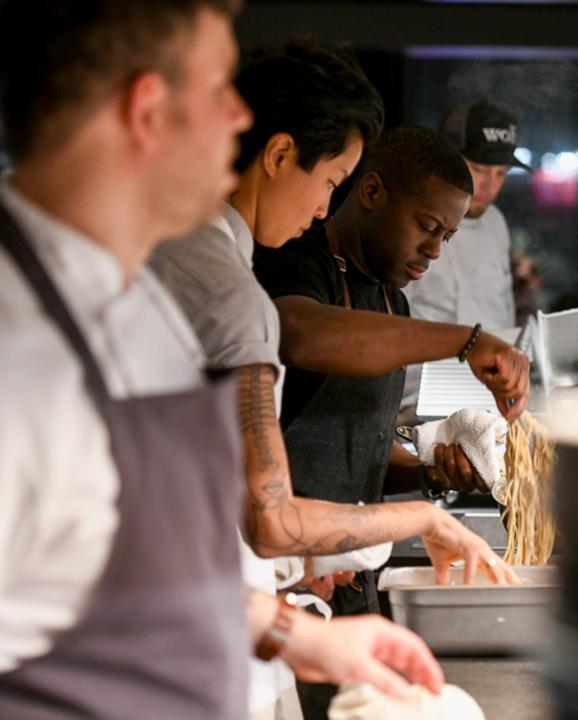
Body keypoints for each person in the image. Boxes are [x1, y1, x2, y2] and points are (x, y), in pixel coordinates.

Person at [0, 2, 444, 717]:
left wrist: (292, 632)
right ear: (147, 110)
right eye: (219, 89)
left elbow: (116, 562)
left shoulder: (134, 297)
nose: (241, 118)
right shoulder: (19, 344)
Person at [150, 42, 514, 719]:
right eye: (330, 181)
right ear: (281, 154)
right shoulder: (240, 289)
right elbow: (271, 521)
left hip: (231, 604)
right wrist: (423, 518)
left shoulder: (174, 255)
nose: (324, 207)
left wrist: (424, 478)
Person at [253, 126, 529, 712]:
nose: (434, 250)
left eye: (448, 237)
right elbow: (300, 334)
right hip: (281, 586)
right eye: (427, 227)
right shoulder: (292, 263)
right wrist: (465, 341)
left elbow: (360, 461)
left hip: (353, 586)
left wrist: (431, 471)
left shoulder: (390, 302)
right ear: (372, 191)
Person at [401, 100, 531, 412]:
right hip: (413, 402)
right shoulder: (409, 221)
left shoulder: (497, 223)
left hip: (487, 398)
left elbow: (502, 313)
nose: (490, 185)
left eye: (501, 173)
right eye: (478, 169)